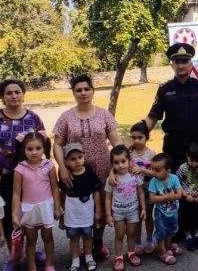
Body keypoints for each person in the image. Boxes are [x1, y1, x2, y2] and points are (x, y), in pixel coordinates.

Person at [0, 78, 46, 271]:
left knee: (30, 214)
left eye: (17, 92)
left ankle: (32, 252)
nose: (14, 96)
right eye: (9, 93)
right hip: (4, 177)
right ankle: (14, 256)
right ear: (2, 96)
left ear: (23, 93)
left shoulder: (33, 118)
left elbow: (42, 144)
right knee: (9, 216)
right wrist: (6, 161)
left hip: (31, 175)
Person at [53, 74, 122, 259]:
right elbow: (57, 144)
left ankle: (97, 244)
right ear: (73, 93)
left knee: (99, 206)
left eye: (86, 89)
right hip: (74, 172)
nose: (83, 93)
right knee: (79, 207)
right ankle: (81, 245)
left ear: (93, 91)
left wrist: (118, 168)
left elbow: (117, 142)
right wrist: (62, 167)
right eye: (78, 90)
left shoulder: (104, 114)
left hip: (102, 169)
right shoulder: (66, 117)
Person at [144, 42, 198, 173]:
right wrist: (139, 136)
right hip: (173, 147)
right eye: (177, 61)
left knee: (197, 187)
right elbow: (152, 116)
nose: (181, 65)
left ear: (191, 64)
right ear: (172, 65)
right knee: (174, 186)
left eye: (185, 61)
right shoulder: (164, 90)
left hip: (197, 146)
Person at [11, 132, 60, 271]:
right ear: (23, 150)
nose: (34, 152)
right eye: (30, 149)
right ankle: (32, 266)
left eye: (38, 148)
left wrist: (57, 207)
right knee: (31, 239)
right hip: (28, 208)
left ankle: (49, 264)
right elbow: (16, 193)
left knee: (48, 236)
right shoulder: (20, 169)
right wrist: (15, 214)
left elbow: (55, 188)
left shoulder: (49, 165)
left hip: (46, 206)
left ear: (44, 148)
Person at [60, 143, 102, 271]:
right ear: (66, 162)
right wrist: (61, 210)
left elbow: (96, 193)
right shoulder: (65, 177)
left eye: (80, 157)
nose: (77, 161)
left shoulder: (90, 174)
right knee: (73, 237)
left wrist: (98, 211)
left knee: (88, 236)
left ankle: (89, 257)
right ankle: (75, 260)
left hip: (87, 212)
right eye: (72, 159)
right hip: (71, 213)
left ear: (84, 157)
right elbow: (62, 194)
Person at [104, 145, 146, 271]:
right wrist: (108, 215)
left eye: (123, 161)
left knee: (132, 233)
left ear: (129, 161)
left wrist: (143, 208)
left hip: (133, 211)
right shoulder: (111, 179)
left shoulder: (135, 175)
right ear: (112, 164)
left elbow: (140, 193)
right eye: (116, 162)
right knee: (120, 234)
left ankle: (131, 253)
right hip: (118, 212)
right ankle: (119, 257)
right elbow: (108, 198)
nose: (120, 165)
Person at [148, 153, 183, 265]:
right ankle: (162, 252)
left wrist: (173, 196)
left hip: (173, 211)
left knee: (171, 230)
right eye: (153, 169)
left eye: (157, 170)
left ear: (168, 170)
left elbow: (179, 194)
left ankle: (168, 248)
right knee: (161, 232)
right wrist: (167, 197)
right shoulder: (153, 182)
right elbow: (152, 198)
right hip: (160, 213)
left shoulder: (174, 178)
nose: (154, 173)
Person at [128, 121, 157, 255]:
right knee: (137, 217)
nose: (136, 140)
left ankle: (150, 239)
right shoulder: (129, 154)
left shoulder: (151, 154)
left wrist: (142, 170)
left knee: (148, 216)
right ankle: (138, 241)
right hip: (133, 191)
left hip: (148, 190)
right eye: (133, 137)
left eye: (140, 137)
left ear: (147, 137)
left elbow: (157, 173)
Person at [176, 143, 198, 251]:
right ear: (187, 156)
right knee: (186, 217)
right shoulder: (183, 168)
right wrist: (185, 194)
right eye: (191, 161)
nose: (194, 164)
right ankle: (188, 235)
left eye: (197, 161)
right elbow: (177, 183)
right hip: (186, 198)